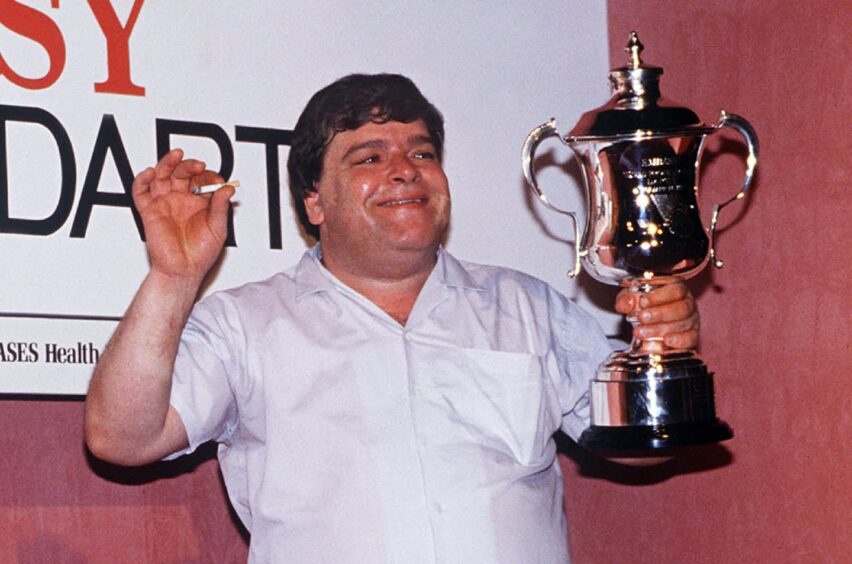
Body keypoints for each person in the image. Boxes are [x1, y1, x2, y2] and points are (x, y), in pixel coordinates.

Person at [84, 74, 698, 562]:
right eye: (367, 158)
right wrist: (175, 276)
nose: (404, 169)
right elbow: (121, 439)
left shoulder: (526, 306)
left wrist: (666, 356)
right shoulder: (244, 324)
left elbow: (634, 447)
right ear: (314, 202)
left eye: (421, 152)